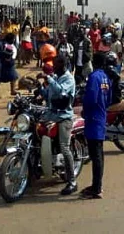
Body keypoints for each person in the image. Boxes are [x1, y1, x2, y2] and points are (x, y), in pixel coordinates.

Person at [39, 55, 77, 195]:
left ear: (63, 65)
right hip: (50, 114)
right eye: (54, 64)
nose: (54, 66)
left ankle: (72, 181)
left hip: (63, 117)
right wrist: (38, 87)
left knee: (64, 147)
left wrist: (48, 79)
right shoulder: (55, 77)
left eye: (56, 64)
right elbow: (48, 94)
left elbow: (61, 93)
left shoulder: (68, 79)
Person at [80, 52, 111, 200]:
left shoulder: (94, 77)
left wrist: (85, 110)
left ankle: (96, 188)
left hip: (93, 118)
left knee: (96, 155)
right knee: (99, 153)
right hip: (101, 116)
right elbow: (109, 98)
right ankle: (96, 185)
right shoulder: (105, 77)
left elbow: (90, 98)